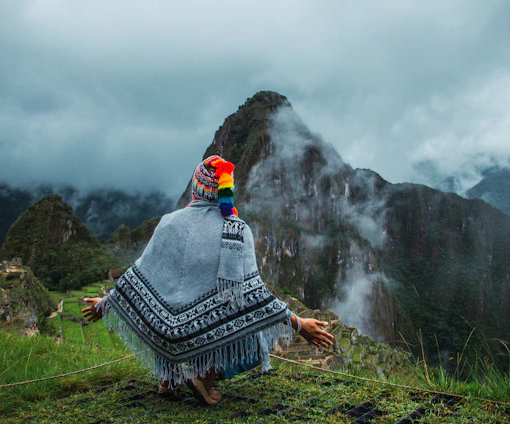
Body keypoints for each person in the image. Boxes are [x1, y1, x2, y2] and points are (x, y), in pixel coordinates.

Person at [82, 155, 334, 405]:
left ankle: (167, 378)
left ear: (196, 188)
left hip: (161, 332)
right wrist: (298, 324)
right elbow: (255, 296)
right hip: (200, 334)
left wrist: (106, 303)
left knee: (161, 311)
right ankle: (204, 376)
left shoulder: (168, 223)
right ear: (226, 190)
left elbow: (140, 275)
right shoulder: (235, 230)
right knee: (258, 340)